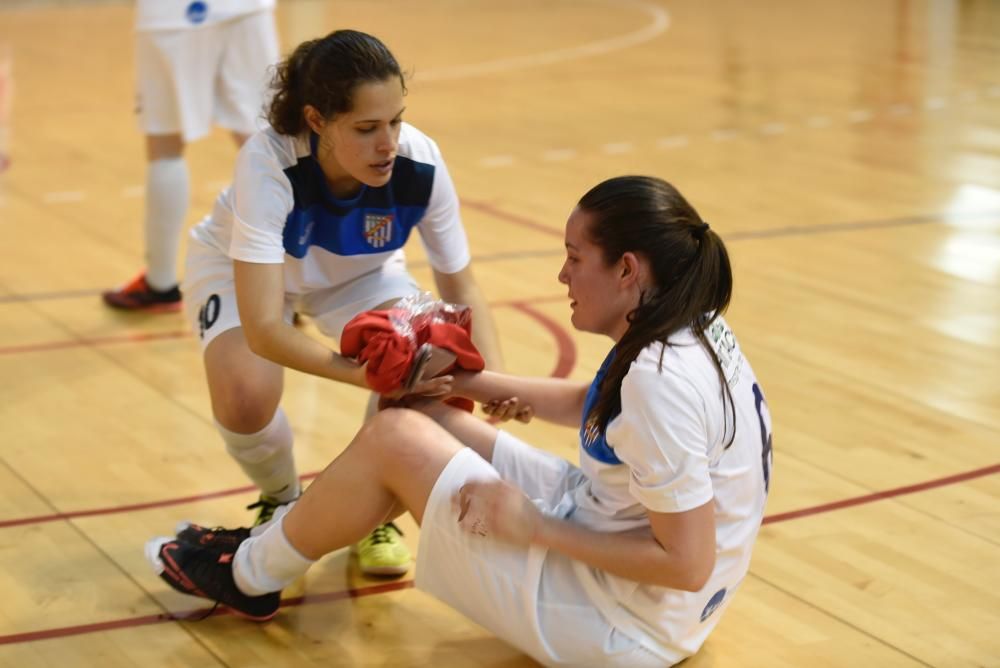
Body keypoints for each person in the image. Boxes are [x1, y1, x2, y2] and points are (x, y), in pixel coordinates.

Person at [146, 175, 772, 666]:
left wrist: (534, 529)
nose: (562, 275)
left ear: (629, 269)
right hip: (642, 583)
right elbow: (598, 399)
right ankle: (280, 546)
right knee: (418, 409)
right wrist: (466, 383)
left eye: (575, 257)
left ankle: (252, 574)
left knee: (394, 436)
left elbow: (687, 564)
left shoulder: (661, 383)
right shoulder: (687, 324)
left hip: (621, 628)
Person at [151, 29, 504, 577]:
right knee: (246, 393)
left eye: (396, 120)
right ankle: (282, 496)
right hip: (239, 268)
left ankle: (370, 511)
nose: (388, 143)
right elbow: (267, 327)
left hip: (358, 276)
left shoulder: (419, 162)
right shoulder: (269, 163)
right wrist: (371, 378)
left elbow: (462, 290)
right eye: (366, 128)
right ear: (316, 121)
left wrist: (498, 384)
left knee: (430, 353)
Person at [103, 0, 279, 311]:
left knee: (165, 147)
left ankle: (160, 283)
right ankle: (290, 283)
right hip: (249, 8)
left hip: (172, 15)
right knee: (267, 144)